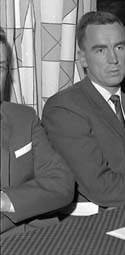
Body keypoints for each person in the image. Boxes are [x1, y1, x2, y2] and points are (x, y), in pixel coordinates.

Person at [42, 12, 125, 209]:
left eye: (119, 47)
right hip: (93, 221)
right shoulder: (64, 108)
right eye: (100, 50)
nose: (113, 59)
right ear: (83, 58)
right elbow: (99, 186)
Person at [0, 29, 74, 236]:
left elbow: (62, 183)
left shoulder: (23, 118)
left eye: (0, 67)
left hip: (37, 238)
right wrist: (32, 202)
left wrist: (6, 201)